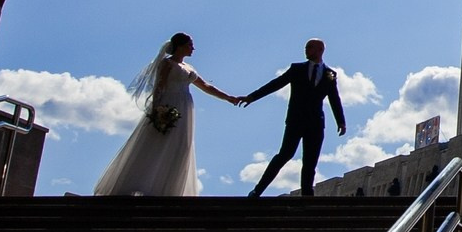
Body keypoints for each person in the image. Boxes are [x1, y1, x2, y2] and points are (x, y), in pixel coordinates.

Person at [93, 32, 240, 196]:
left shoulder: (189, 68)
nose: (193, 48)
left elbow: (205, 86)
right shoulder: (167, 64)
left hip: (185, 106)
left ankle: (170, 189)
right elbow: (159, 86)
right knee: (158, 144)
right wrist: (158, 110)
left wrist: (228, 97)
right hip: (170, 104)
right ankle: (140, 185)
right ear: (180, 46)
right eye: (189, 44)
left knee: (181, 144)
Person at [241, 37, 347, 197]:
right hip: (296, 120)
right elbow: (276, 84)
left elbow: (334, 98)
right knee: (284, 154)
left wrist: (341, 121)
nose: (306, 50)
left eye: (310, 47)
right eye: (306, 47)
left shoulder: (330, 74)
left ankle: (307, 195)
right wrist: (252, 97)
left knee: (310, 161)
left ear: (320, 50)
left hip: (316, 123)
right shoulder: (297, 69)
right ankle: (258, 190)